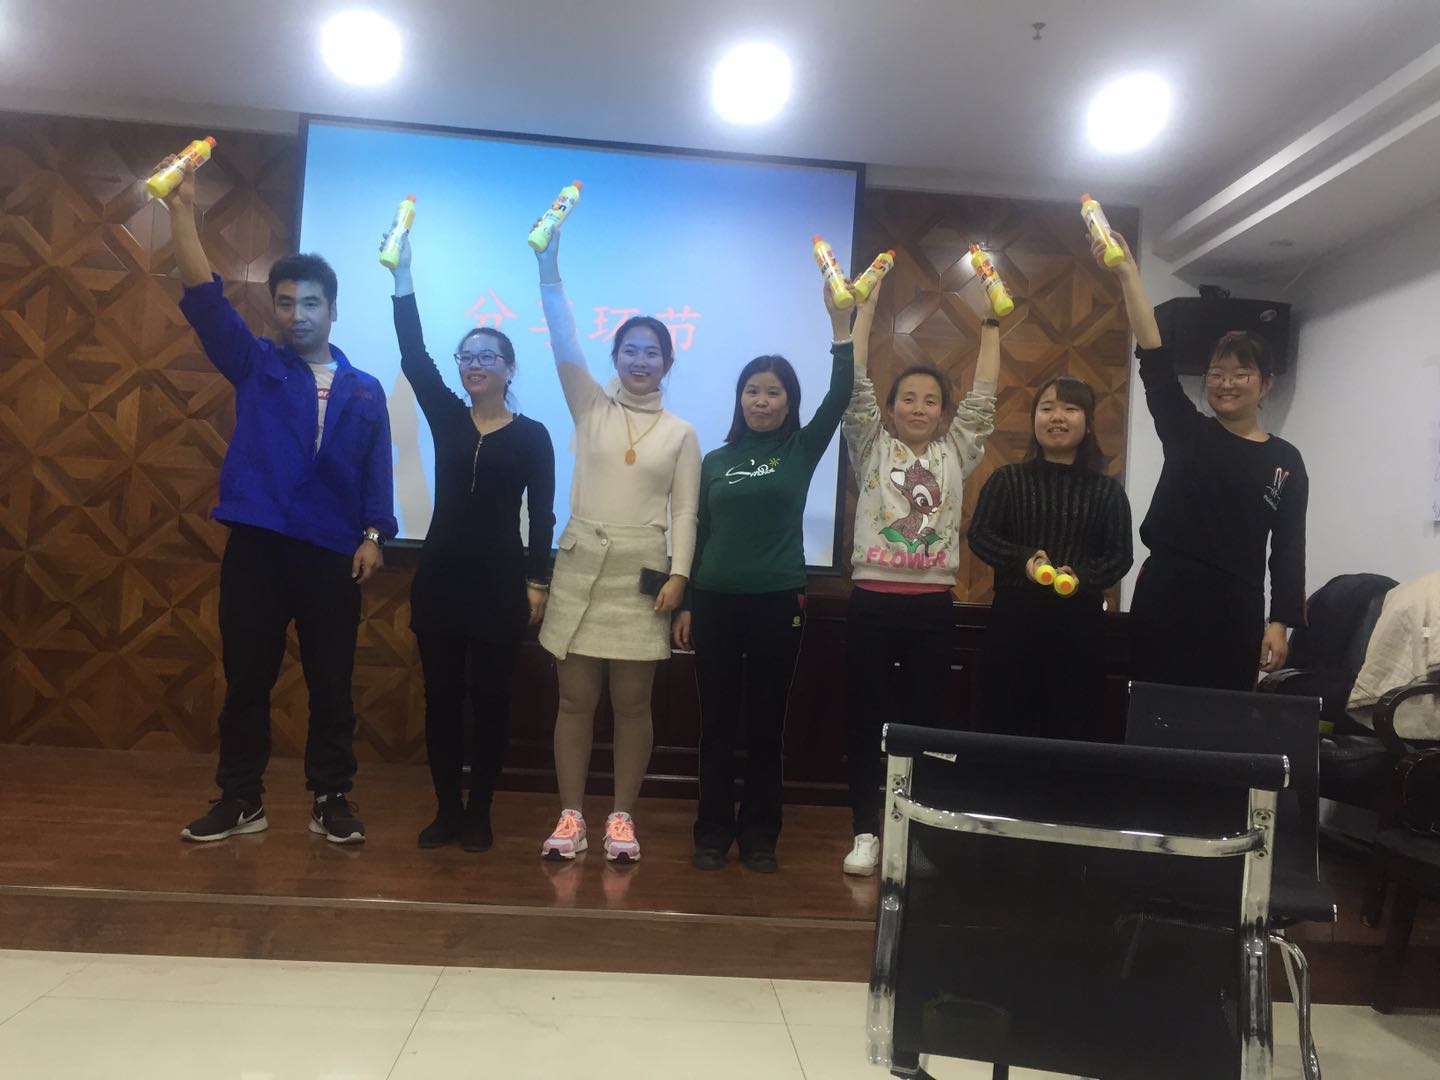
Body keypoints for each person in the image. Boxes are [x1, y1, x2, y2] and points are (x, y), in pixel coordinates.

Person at [161, 159, 396, 845]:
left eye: (310, 303)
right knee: (246, 681)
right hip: (258, 547)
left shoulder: (365, 388)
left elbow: (376, 473)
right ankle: (241, 799)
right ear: (276, 308)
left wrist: (375, 534)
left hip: (331, 554)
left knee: (332, 683)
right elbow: (204, 298)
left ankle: (332, 797)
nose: (298, 315)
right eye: (286, 303)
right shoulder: (256, 364)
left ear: (333, 308)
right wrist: (181, 209)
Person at [673, 283, 858, 873]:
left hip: (779, 600)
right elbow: (698, 531)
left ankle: (760, 835)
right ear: (740, 398)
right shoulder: (715, 460)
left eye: (773, 392)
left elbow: (841, 394)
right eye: (752, 390)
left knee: (766, 724)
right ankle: (711, 831)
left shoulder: (800, 448)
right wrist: (687, 603)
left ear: (788, 401)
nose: (761, 400)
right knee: (716, 723)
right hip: (715, 600)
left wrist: (840, 330)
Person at [533, 223, 701, 864]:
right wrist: (549, 268)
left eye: (652, 352)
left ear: (668, 363)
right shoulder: (589, 407)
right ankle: (572, 815)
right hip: (581, 564)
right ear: (615, 357)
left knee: (633, 706)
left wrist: (679, 575)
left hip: (642, 573)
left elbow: (686, 511)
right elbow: (561, 335)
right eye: (630, 350)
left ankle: (622, 817)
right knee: (573, 701)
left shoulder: (682, 433)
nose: (640, 361)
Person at [385, 233, 555, 852]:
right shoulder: (448, 418)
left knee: (491, 703)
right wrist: (402, 277)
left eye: (488, 356)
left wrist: (537, 583)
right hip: (441, 581)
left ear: (509, 368)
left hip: (500, 586)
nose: (474, 363)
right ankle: (446, 810)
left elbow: (543, 516)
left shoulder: (533, 435)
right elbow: (413, 354)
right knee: (441, 701)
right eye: (467, 355)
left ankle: (480, 810)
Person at [1096, 229, 1308, 691]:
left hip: (1236, 607)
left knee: (1220, 716)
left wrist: (1279, 623)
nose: (1226, 383)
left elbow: (1288, 549)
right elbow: (1153, 355)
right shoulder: (1186, 430)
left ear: (1266, 384)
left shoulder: (1285, 460)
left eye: (1241, 374)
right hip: (1167, 596)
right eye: (1216, 373)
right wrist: (1128, 273)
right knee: (1154, 708)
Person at [841, 288, 1000, 875]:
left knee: (923, 724)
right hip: (870, 602)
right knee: (865, 719)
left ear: (942, 412)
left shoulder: (956, 451)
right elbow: (854, 382)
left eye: (930, 400)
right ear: (887, 408)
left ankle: (912, 833)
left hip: (932, 606)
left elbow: (983, 396)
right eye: (907, 398)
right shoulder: (871, 446)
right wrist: (865, 309)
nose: (918, 407)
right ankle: (865, 831)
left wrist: (991, 322)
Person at [968, 375, 1133, 740]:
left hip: (1079, 628)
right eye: (1047, 408)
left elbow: (1120, 556)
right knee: (1005, 724)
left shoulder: (1108, 491)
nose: (1057, 417)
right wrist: (1023, 559)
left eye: (1070, 408)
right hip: (1013, 624)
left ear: (1088, 423)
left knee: (1071, 727)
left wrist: (1083, 576)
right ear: (1034, 420)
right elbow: (980, 535)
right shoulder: (1007, 479)